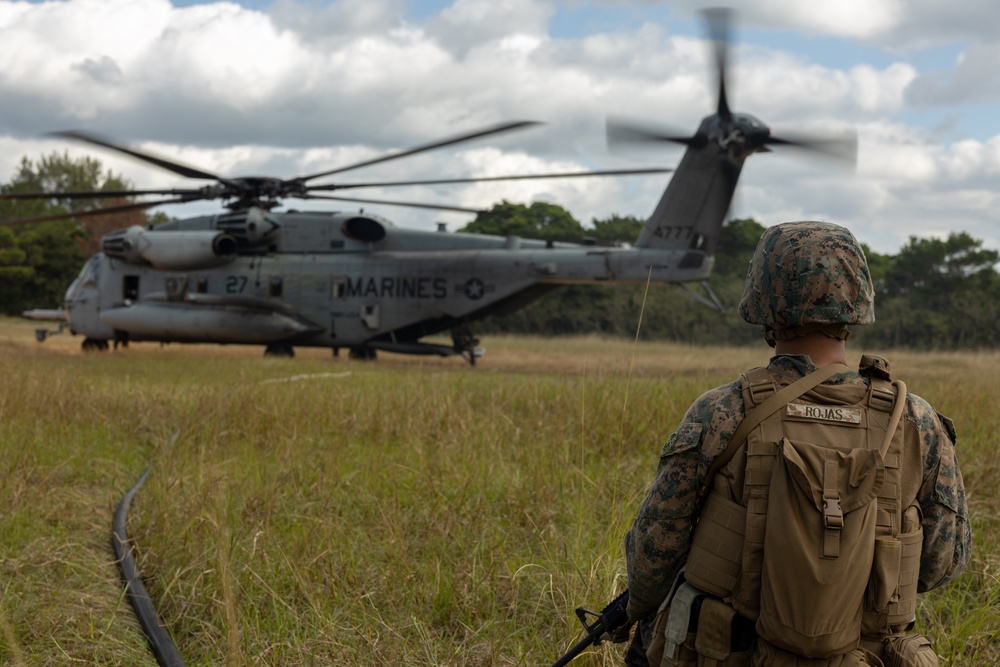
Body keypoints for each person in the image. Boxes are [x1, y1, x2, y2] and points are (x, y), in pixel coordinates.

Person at [623, 221, 971, 667]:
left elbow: (653, 556)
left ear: (763, 299)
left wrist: (637, 609)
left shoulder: (723, 411)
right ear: (857, 301)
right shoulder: (915, 419)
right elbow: (941, 564)